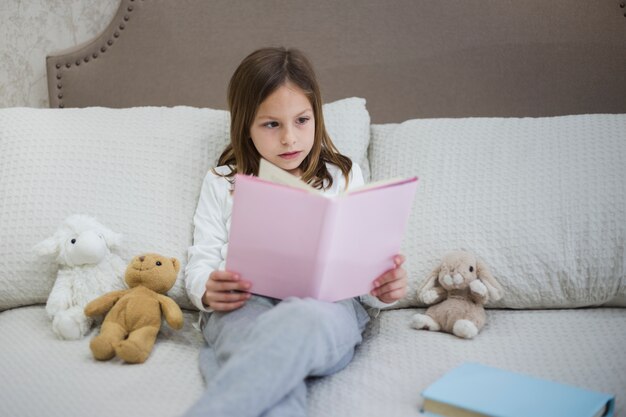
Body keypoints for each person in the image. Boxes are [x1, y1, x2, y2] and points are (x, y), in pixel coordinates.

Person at [183, 47, 407, 417]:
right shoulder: (222, 182)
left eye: (301, 120)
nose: (290, 138)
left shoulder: (343, 175)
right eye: (272, 124)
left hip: (324, 307)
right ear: (245, 125)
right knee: (260, 352)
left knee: (293, 328)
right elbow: (202, 256)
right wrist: (207, 288)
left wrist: (382, 288)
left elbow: (363, 268)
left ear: (317, 115)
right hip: (245, 304)